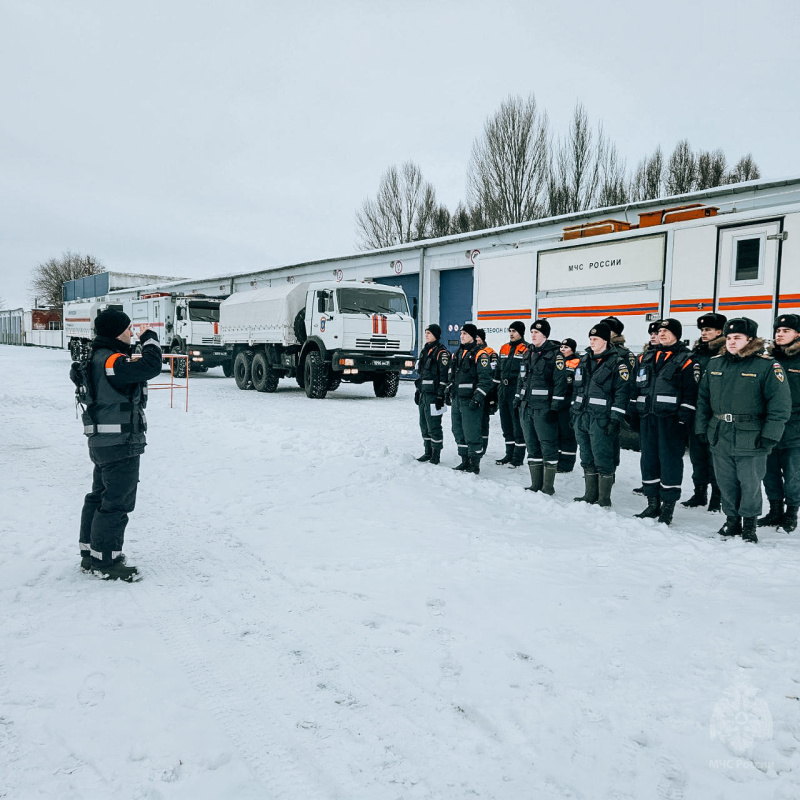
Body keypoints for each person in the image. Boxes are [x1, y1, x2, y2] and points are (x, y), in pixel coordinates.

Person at [74, 308, 163, 581]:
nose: (130, 333)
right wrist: (151, 340)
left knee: (99, 496)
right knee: (116, 502)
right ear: (115, 332)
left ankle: (91, 554)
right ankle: (107, 561)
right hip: (120, 443)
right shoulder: (112, 361)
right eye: (127, 329)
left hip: (102, 442)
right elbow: (151, 366)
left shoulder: (97, 357)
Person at [695, 317, 791, 543]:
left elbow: (780, 406)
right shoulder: (715, 364)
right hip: (720, 433)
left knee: (749, 483)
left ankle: (749, 525)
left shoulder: (766, 366)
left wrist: (770, 434)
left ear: (750, 339)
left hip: (752, 435)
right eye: (728, 338)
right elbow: (703, 400)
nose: (731, 342)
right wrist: (701, 428)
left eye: (737, 337)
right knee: (726, 481)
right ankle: (731, 521)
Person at [632, 318, 698, 525]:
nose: (661, 334)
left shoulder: (687, 360)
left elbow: (691, 392)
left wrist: (683, 417)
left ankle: (667, 507)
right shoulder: (645, 357)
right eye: (659, 331)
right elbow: (636, 388)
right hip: (647, 418)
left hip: (671, 420)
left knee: (669, 462)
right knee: (649, 460)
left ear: (676, 334)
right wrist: (633, 412)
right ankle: (652, 504)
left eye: (666, 331)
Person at [571, 322, 631, 508]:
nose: (592, 342)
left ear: (605, 340)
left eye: (595, 339)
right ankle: (590, 494)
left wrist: (615, 418)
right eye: (590, 338)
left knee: (602, 457)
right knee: (586, 456)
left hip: (602, 419)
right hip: (583, 416)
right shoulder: (583, 360)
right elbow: (576, 387)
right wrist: (574, 411)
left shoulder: (617, 363)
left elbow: (622, 393)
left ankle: (604, 498)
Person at [515, 319, 569, 495]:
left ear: (545, 335)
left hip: (544, 409)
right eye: (531, 332)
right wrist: (517, 399)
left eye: (536, 332)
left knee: (548, 445)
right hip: (527, 407)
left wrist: (555, 407)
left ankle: (548, 486)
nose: (533, 335)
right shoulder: (526, 353)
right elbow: (520, 379)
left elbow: (560, 383)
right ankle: (535, 484)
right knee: (532, 445)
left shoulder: (555, 355)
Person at [682, 313, 727, 511]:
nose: (704, 333)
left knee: (715, 457)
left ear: (719, 331)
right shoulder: (696, 353)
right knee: (697, 456)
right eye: (702, 330)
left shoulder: (725, 355)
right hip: (696, 412)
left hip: (716, 415)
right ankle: (699, 493)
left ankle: (717, 496)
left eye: (708, 329)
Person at [759, 314, 800, 532]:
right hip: (769, 427)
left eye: (786, 331)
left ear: (797, 334)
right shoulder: (767, 360)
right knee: (770, 472)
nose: (780, 334)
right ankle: (774, 510)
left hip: (796, 428)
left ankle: (791, 512)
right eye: (778, 331)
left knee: (794, 475)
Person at [448, 323, 494, 474]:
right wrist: (449, 392)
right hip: (457, 400)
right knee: (458, 430)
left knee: (472, 432)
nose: (462, 336)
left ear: (473, 337)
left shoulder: (481, 355)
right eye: (461, 334)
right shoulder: (456, 354)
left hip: (471, 402)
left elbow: (486, 380)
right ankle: (464, 460)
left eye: (465, 334)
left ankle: (474, 463)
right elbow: (452, 377)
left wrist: (477, 398)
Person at [414, 323, 450, 465]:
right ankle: (427, 452)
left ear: (436, 335)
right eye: (426, 332)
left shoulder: (442, 353)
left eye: (429, 332)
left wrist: (440, 395)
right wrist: (418, 391)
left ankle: (436, 454)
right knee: (424, 424)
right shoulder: (425, 351)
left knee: (434, 425)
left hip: (434, 396)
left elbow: (444, 377)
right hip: (424, 394)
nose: (426, 335)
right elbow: (422, 374)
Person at [495, 321, 528, 467]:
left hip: (516, 389)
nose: (511, 334)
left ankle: (518, 457)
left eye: (514, 331)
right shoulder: (504, 348)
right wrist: (494, 390)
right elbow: (497, 371)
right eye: (510, 331)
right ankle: (509, 454)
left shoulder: (526, 349)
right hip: (503, 389)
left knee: (517, 424)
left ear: (521, 332)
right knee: (506, 424)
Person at [475, 329, 500, 458]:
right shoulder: (472, 352)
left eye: (478, 337)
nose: (475, 339)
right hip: (474, 392)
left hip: (487, 392)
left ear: (483, 339)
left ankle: (483, 446)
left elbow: (494, 374)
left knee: (484, 420)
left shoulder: (490, 353)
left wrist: (492, 395)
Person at [557, 338, 580, 473]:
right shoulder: (558, 361)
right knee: (558, 432)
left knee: (568, 434)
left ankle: (567, 463)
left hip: (569, 402)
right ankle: (559, 460)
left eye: (566, 347)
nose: (562, 349)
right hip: (558, 402)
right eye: (561, 347)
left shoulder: (577, 362)